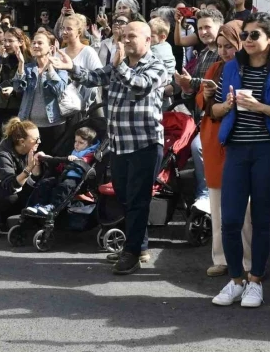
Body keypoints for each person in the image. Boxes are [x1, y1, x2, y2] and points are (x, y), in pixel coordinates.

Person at [51, 22, 168, 275]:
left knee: (138, 199)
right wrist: (72, 67)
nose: (125, 41)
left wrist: (119, 65)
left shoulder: (157, 65)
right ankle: (141, 245)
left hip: (145, 144)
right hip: (119, 144)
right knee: (125, 197)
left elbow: (139, 85)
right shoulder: (118, 64)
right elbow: (95, 77)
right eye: (123, 36)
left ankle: (132, 252)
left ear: (148, 40)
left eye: (131, 36)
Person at [211, 12, 270, 308]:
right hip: (236, 150)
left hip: (267, 151)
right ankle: (235, 279)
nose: (247, 41)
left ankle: (255, 281)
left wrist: (261, 107)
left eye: (254, 35)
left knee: (261, 220)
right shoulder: (231, 69)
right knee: (231, 220)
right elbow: (214, 111)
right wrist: (224, 106)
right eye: (245, 35)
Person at [194, 22, 253, 277]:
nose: (224, 51)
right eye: (220, 46)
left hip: (241, 142)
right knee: (217, 204)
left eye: (229, 46)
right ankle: (221, 258)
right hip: (214, 141)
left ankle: (250, 262)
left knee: (246, 209)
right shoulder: (215, 67)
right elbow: (199, 101)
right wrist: (206, 94)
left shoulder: (250, 69)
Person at [175, 9, 225, 209]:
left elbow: (214, 86)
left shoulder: (225, 55)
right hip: (200, 116)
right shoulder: (203, 53)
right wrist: (186, 86)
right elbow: (193, 92)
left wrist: (192, 83)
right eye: (200, 28)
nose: (203, 32)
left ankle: (205, 194)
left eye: (207, 27)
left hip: (218, 117)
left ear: (220, 27)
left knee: (198, 146)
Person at [23, 127, 99, 216]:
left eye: (81, 143)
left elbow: (85, 160)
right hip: (64, 175)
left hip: (76, 179)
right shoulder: (74, 151)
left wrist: (77, 159)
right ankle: (38, 204)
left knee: (64, 186)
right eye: (75, 141)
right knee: (46, 182)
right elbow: (63, 164)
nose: (76, 145)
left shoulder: (90, 153)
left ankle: (53, 206)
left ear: (89, 145)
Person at [14, 30, 68, 154]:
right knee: (33, 162)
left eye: (40, 43)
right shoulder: (28, 68)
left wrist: (50, 68)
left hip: (54, 124)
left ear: (50, 47)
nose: (36, 46)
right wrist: (21, 64)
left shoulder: (60, 68)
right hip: (30, 126)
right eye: (34, 43)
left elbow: (59, 89)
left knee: (52, 160)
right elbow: (17, 88)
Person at [0, 27, 30, 143]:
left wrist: (14, 90)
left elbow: (30, 87)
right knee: (1, 141)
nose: (6, 44)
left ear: (20, 42)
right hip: (2, 106)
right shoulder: (4, 59)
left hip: (20, 108)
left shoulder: (29, 61)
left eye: (10, 41)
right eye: (4, 41)